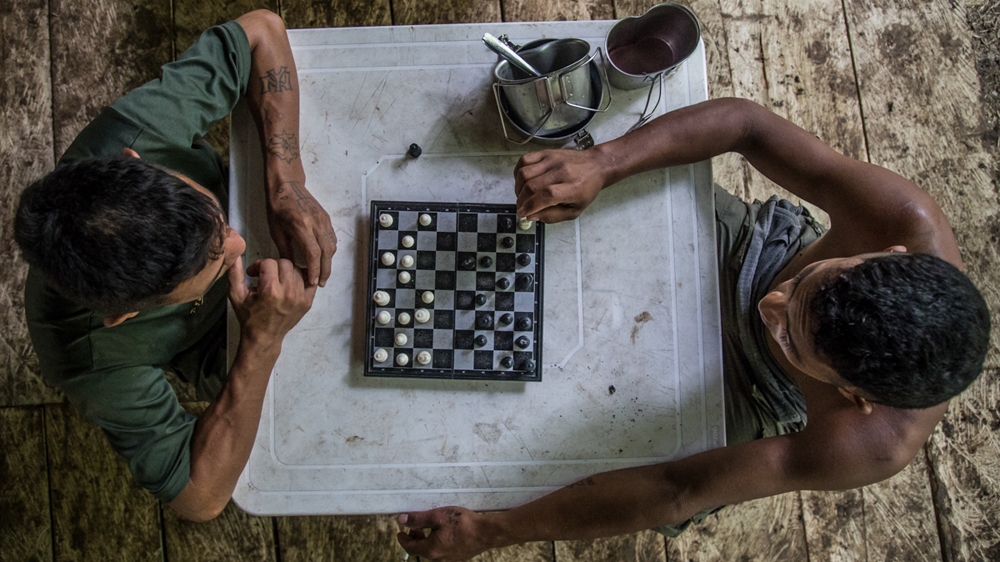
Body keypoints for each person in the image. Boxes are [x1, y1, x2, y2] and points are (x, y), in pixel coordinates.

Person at [394, 98, 991, 560]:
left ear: (853, 398)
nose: (771, 308)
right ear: (880, 254)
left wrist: (492, 529)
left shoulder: (866, 446)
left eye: (794, 339)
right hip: (747, 253)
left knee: (562, 447)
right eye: (809, 283)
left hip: (751, 384)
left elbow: (676, 489)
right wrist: (604, 162)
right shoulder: (905, 217)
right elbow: (745, 125)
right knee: (573, 209)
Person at [14, 10, 336, 522]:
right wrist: (260, 342)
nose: (239, 243)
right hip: (222, 344)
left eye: (214, 218)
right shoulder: (88, 363)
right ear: (123, 316)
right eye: (214, 263)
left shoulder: (136, 132)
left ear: (135, 161)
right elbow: (199, 499)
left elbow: (262, 32)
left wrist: (284, 180)